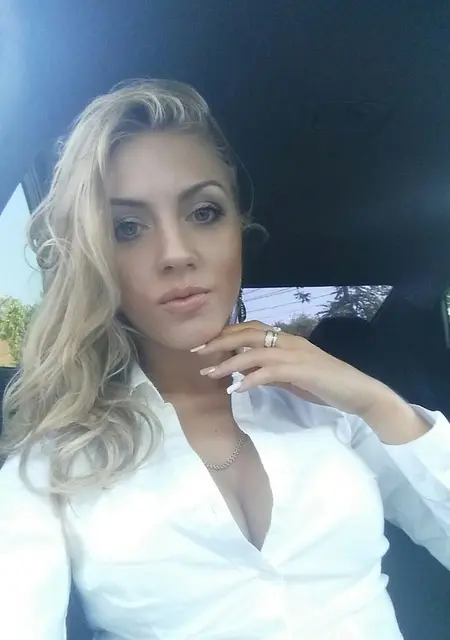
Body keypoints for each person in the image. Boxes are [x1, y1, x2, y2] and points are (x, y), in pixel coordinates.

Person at [0, 79, 449, 640]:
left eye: (204, 212)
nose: (176, 254)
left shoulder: (329, 407)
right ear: (95, 258)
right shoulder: (54, 462)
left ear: (240, 228)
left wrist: (376, 401)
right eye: (127, 228)